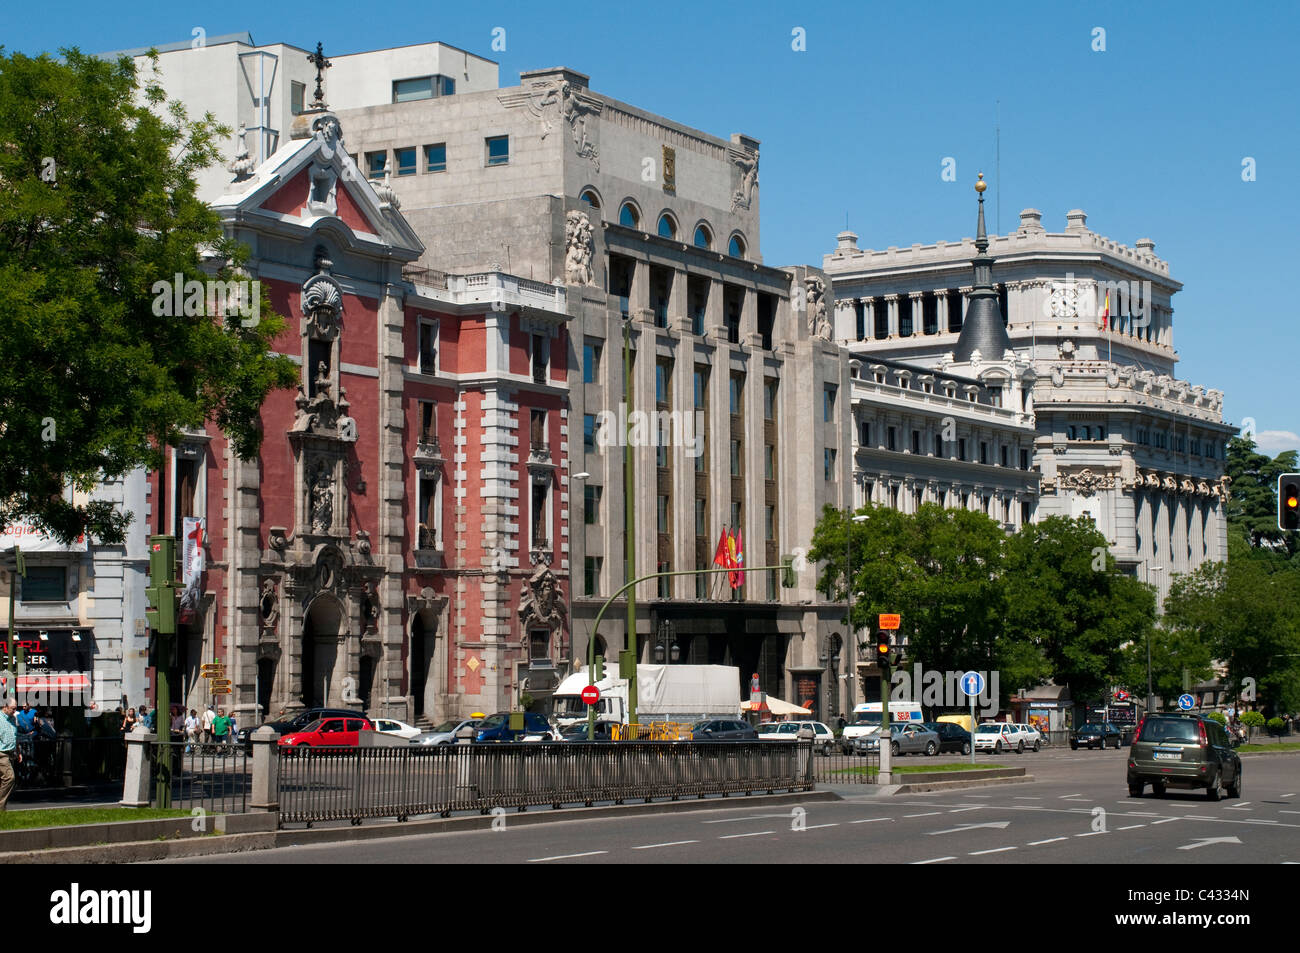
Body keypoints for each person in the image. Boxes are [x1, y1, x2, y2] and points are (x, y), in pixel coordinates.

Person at [0, 698, 23, 811]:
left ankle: (2, 808)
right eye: (13, 709)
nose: (15, 711)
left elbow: (15, 736)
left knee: (3, 781)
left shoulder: (13, 719)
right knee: (10, 778)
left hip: (10, 754)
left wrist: (18, 751)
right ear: (5, 707)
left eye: (15, 709)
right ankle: (1, 808)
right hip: (1, 754)